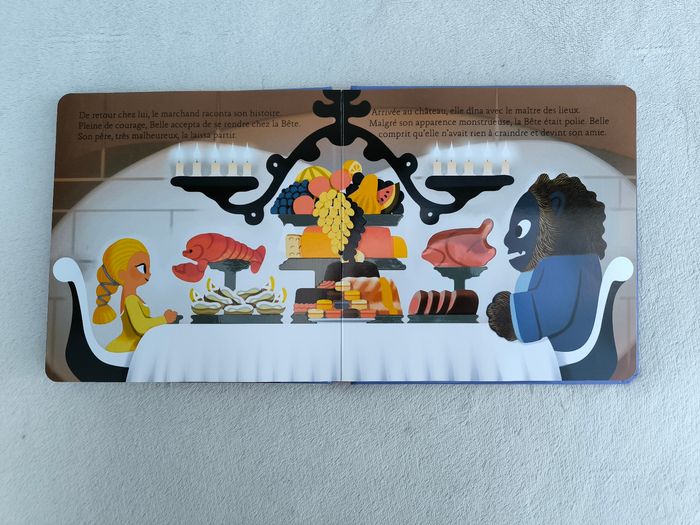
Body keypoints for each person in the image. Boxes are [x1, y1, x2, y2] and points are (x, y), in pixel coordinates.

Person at [93, 238, 178, 352]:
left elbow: (142, 321)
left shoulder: (132, 297)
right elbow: (140, 326)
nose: (149, 273)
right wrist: (164, 319)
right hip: (128, 348)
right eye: (142, 268)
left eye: (148, 268)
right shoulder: (130, 299)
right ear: (122, 275)